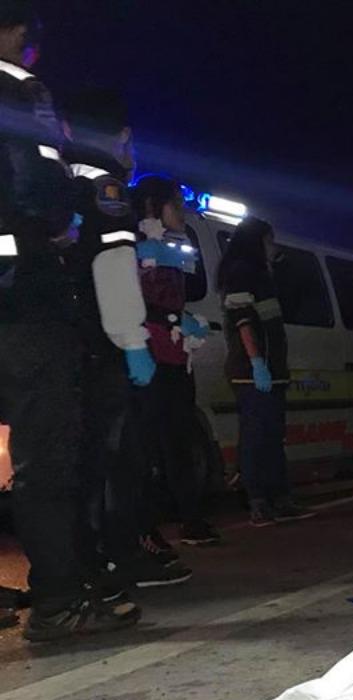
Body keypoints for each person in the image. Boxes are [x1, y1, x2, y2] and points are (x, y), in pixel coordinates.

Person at [0, 4, 139, 640]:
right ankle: (59, 598)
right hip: (25, 299)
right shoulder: (18, 89)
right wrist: (61, 223)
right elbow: (37, 186)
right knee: (48, 453)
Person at [60, 88, 192, 593]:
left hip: (67, 337)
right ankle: (117, 559)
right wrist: (133, 341)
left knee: (84, 460)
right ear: (124, 136)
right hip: (101, 341)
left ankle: (87, 564)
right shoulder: (106, 185)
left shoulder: (59, 178)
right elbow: (113, 267)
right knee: (119, 458)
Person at [132, 175, 220, 546]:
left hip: (175, 357)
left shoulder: (173, 246)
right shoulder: (134, 246)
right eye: (176, 206)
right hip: (149, 356)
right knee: (147, 445)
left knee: (180, 440)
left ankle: (191, 519)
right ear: (153, 206)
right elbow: (134, 303)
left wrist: (182, 321)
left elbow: (172, 298)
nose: (182, 214)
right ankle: (142, 529)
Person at [218, 216, 315, 526]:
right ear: (256, 242)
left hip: (272, 369)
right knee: (256, 437)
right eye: (269, 241)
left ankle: (280, 498)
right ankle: (258, 500)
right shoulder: (241, 273)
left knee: (273, 437)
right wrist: (257, 362)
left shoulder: (263, 276)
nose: (273, 247)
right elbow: (243, 321)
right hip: (251, 371)